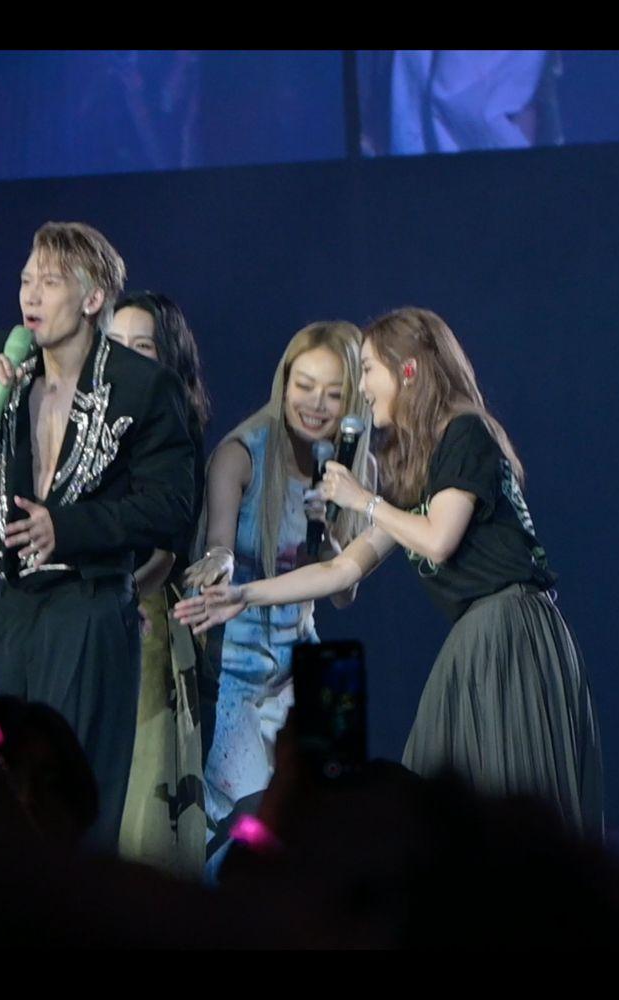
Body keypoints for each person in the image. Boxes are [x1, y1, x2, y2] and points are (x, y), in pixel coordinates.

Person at [176, 306, 603, 840]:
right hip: (475, 638)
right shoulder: (415, 465)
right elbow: (341, 570)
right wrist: (245, 594)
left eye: (368, 370)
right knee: (439, 807)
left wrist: (363, 501)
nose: (362, 388)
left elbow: (439, 539)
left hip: (510, 632)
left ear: (409, 370)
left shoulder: (466, 432)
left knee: (500, 798)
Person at [0, 222, 198, 853]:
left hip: (89, 605)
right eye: (26, 279)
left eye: (50, 282)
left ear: (91, 298)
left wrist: (69, 528)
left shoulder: (144, 386)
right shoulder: (10, 368)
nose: (31, 295)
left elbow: (172, 508)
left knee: (68, 799)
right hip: (15, 604)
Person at [180, 321, 373, 878]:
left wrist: (328, 535)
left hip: (306, 663)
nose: (315, 404)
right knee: (239, 828)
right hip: (236, 670)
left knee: (322, 827)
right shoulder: (241, 454)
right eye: (304, 385)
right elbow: (219, 543)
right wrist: (219, 561)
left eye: (332, 393)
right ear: (283, 382)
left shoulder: (356, 471)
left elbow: (345, 591)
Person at [105, 290, 212, 877]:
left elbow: (167, 553)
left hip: (141, 618)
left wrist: (119, 600)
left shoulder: (172, 432)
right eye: (114, 343)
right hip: (90, 614)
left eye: (141, 346)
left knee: (141, 797)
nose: (125, 356)